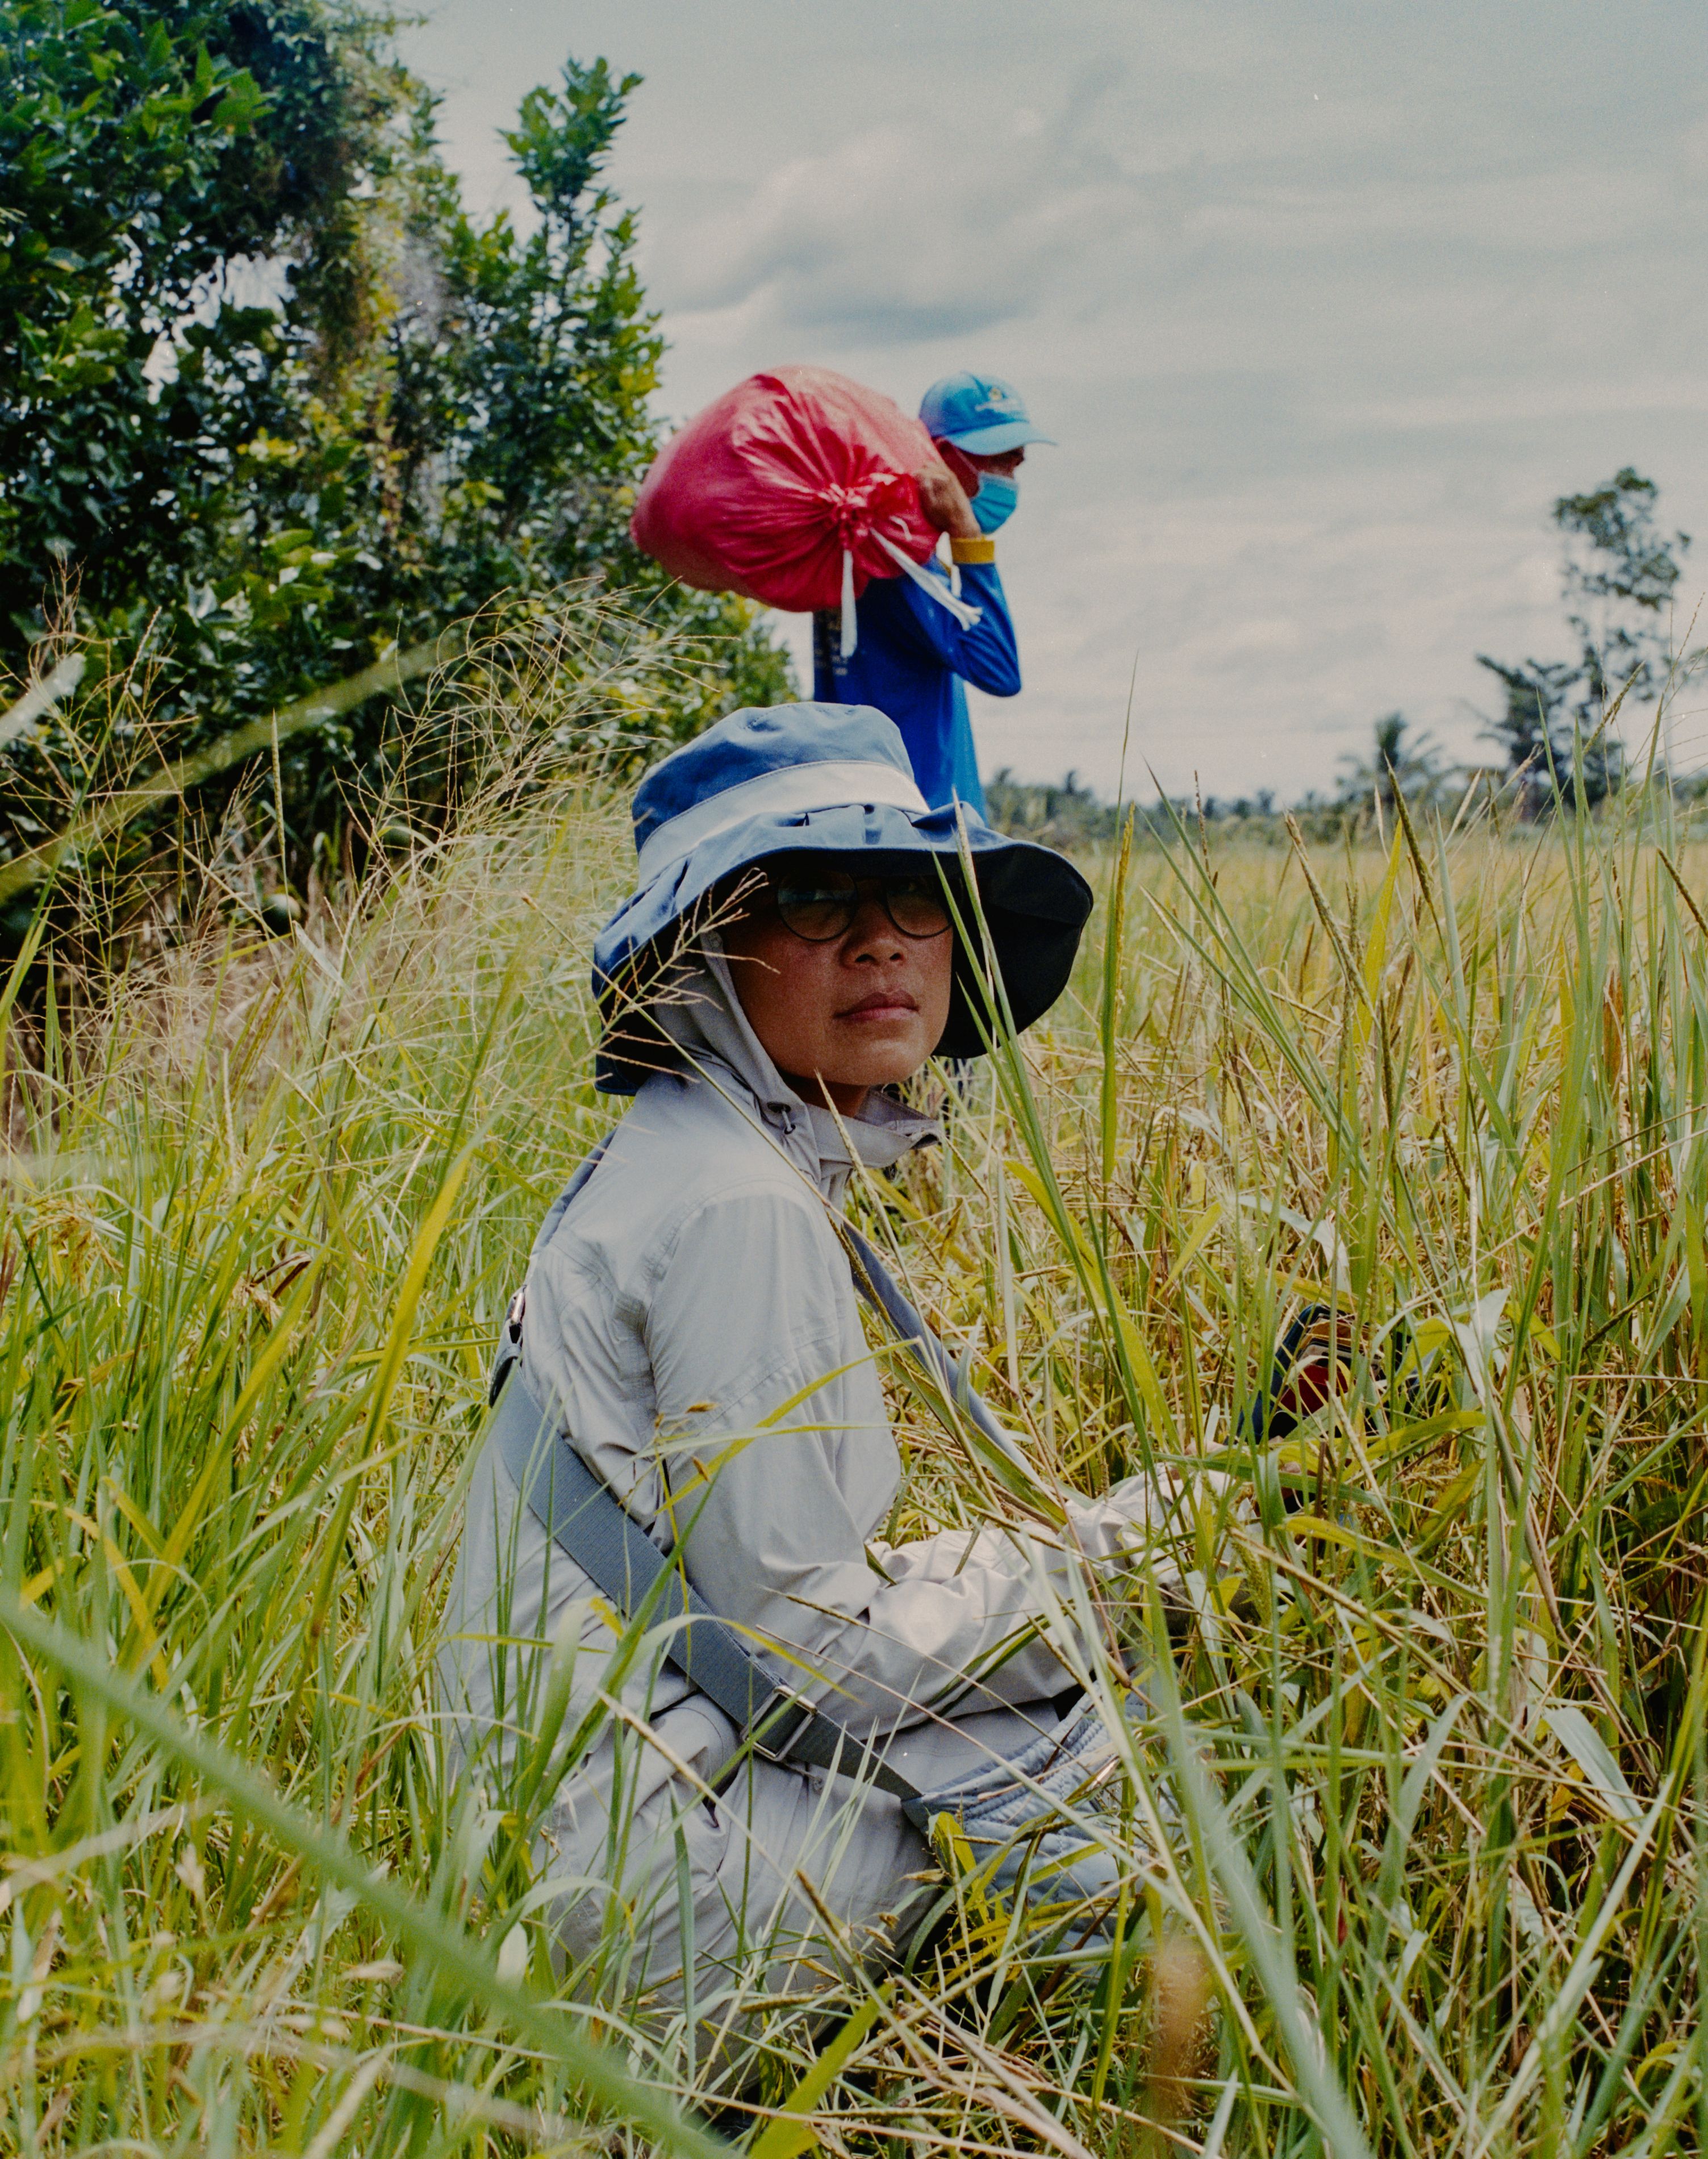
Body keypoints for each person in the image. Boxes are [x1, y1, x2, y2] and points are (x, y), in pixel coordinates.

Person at [437, 701, 1175, 2024]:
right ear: (701, 951)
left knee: (1007, 1627)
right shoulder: (742, 1202)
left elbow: (767, 1595)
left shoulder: (688, 1147)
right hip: (656, 1887)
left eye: (911, 890)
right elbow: (806, 1648)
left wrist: (1076, 1555)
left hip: (564, 1838)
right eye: (813, 893)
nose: (880, 935)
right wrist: (1127, 1560)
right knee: (1125, 1759)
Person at [812, 372, 1052, 818]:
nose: (1015, 467)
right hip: (914, 824)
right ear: (942, 459)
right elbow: (999, 671)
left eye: (1017, 460)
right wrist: (968, 537)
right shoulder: (897, 567)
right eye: (999, 457)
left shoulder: (873, 549)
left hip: (873, 812)